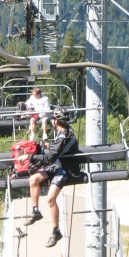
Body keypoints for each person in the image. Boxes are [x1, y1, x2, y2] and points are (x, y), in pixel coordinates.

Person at [25, 106, 83, 247]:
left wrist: (30, 157)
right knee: (33, 179)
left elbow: (50, 157)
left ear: (56, 121)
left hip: (66, 169)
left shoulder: (64, 136)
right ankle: (35, 211)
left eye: (53, 119)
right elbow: (53, 153)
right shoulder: (62, 133)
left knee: (50, 199)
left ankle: (56, 231)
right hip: (58, 165)